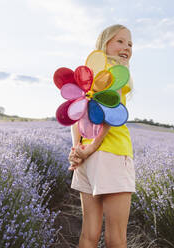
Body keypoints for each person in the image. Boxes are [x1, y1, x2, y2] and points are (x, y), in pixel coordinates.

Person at [68, 24, 135, 248]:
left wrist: (77, 149)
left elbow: (76, 111)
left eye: (130, 44)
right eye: (120, 41)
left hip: (87, 158)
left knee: (89, 234)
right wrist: (92, 147)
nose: (126, 47)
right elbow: (109, 112)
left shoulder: (90, 71)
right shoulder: (114, 72)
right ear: (104, 42)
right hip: (111, 154)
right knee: (116, 237)